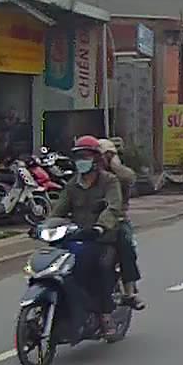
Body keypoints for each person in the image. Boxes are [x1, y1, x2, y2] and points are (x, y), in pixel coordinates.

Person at [48, 135, 123, 337]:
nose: (82, 161)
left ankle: (106, 315)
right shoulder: (72, 185)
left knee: (101, 268)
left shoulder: (109, 181)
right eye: (79, 157)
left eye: (86, 156)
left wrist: (100, 226)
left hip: (102, 237)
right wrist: (45, 226)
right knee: (57, 267)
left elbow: (113, 207)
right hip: (75, 236)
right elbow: (58, 210)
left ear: (96, 159)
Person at [97, 138, 145, 311]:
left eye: (103, 156)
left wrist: (115, 165)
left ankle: (129, 293)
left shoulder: (118, 176)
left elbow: (130, 178)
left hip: (117, 221)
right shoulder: (87, 175)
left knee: (126, 246)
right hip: (87, 221)